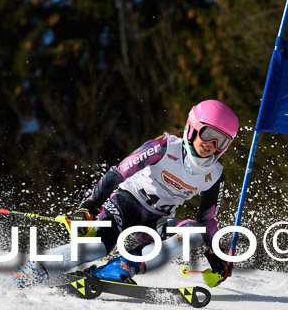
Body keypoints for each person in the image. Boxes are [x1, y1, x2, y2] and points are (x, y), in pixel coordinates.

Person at [12, 99, 238, 288]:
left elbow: (206, 220)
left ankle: (121, 267)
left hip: (155, 221)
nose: (212, 144)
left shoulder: (214, 175)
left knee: (192, 232)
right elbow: (118, 173)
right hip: (125, 203)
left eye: (221, 140)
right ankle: (37, 268)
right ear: (194, 127)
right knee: (97, 247)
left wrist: (217, 253)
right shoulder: (164, 148)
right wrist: (89, 206)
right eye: (208, 134)